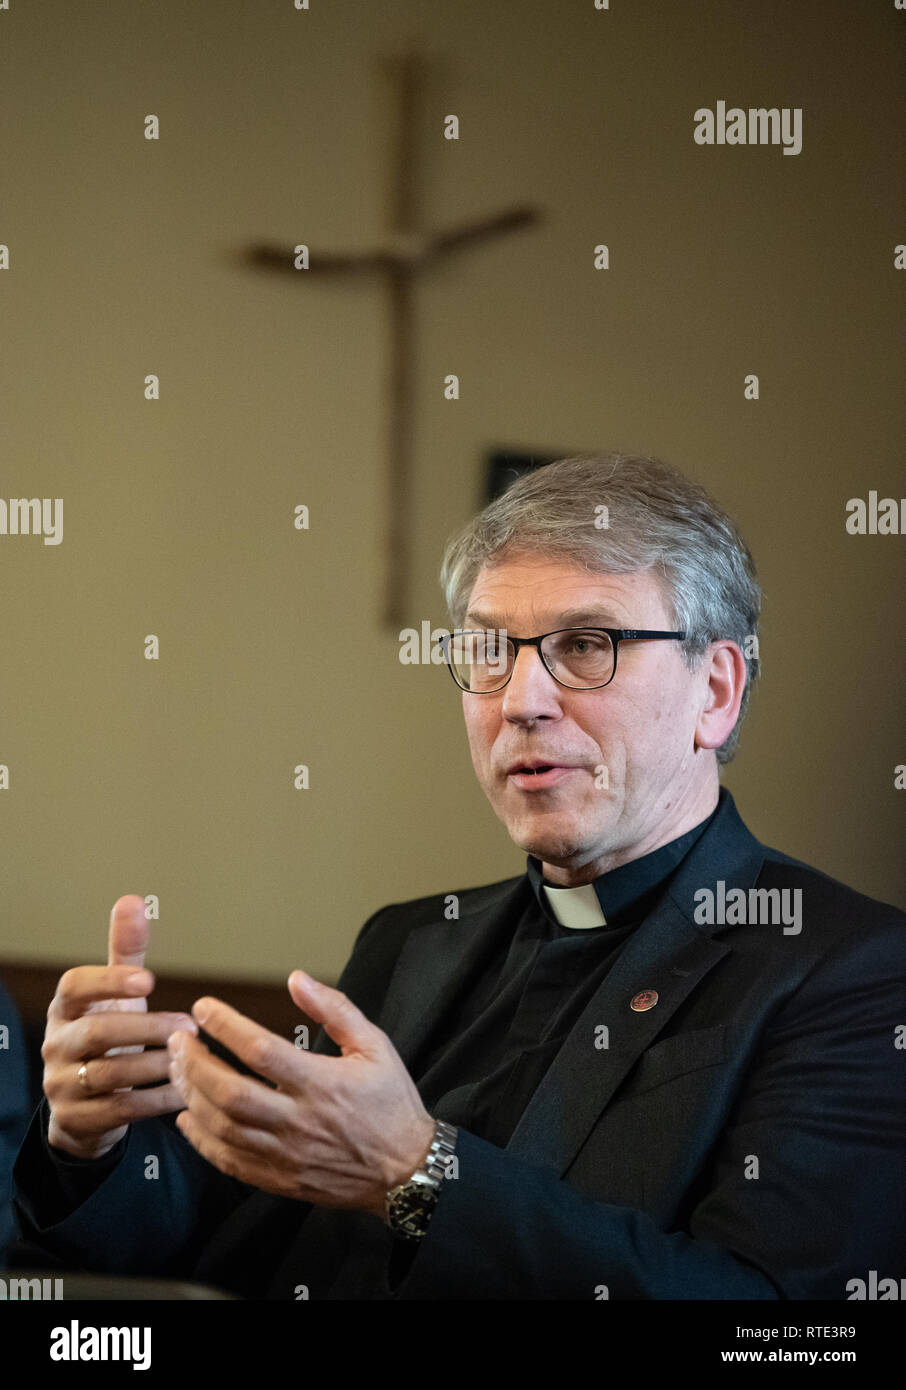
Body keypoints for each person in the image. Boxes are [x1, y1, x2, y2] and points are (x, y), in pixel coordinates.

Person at [11, 452, 906, 1299]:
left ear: (715, 691)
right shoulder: (410, 940)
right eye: (491, 651)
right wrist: (93, 1144)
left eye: (587, 645)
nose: (520, 700)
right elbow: (240, 1241)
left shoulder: (852, 972)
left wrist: (419, 1177)